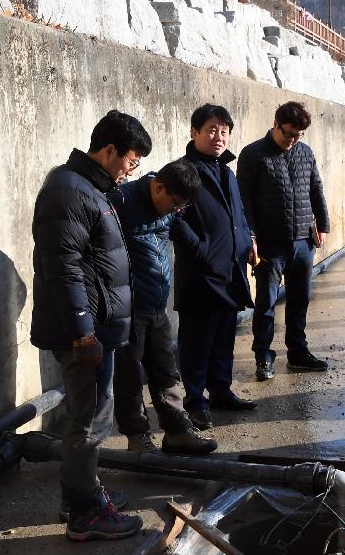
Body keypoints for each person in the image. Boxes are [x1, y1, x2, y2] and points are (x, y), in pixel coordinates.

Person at [31, 110, 151, 541]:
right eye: (130, 161)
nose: (130, 171)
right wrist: (83, 332)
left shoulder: (89, 189)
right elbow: (63, 268)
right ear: (109, 150)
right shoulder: (69, 191)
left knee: (93, 418)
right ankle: (85, 514)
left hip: (97, 328)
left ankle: (81, 494)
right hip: (87, 332)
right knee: (87, 421)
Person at [108, 161, 218, 454]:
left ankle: (177, 431)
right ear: (158, 187)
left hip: (157, 304)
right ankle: (137, 436)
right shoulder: (121, 201)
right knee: (129, 374)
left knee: (167, 370)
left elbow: (177, 233)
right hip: (128, 307)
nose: (176, 211)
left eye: (182, 206)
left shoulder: (169, 209)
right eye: (175, 203)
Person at [171, 104, 256, 431]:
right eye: (211, 130)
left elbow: (239, 214)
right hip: (201, 274)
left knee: (223, 335)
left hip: (230, 270)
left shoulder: (227, 172)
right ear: (194, 133)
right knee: (196, 341)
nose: (218, 137)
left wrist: (248, 239)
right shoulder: (183, 171)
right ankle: (195, 402)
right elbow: (173, 217)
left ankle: (221, 390)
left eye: (224, 131)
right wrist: (200, 249)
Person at [237, 102, 331, 381]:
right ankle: (263, 356)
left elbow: (316, 188)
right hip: (269, 244)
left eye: (298, 136)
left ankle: (298, 352)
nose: (292, 140)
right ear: (275, 123)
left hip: (303, 241)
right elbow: (245, 201)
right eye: (288, 133)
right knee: (266, 304)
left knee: (299, 300)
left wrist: (323, 225)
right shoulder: (253, 155)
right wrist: (250, 237)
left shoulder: (305, 152)